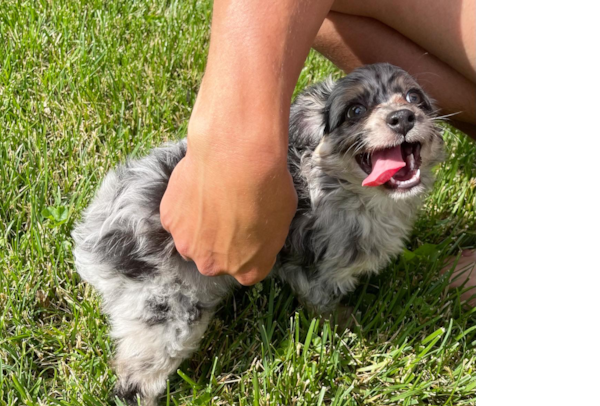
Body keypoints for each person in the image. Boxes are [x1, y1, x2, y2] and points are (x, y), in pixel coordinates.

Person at [160, 0, 475, 302]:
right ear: (310, 127)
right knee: (317, 12)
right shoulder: (333, 231)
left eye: (414, 99)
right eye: (355, 112)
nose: (401, 113)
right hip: (163, 265)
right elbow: (311, 275)